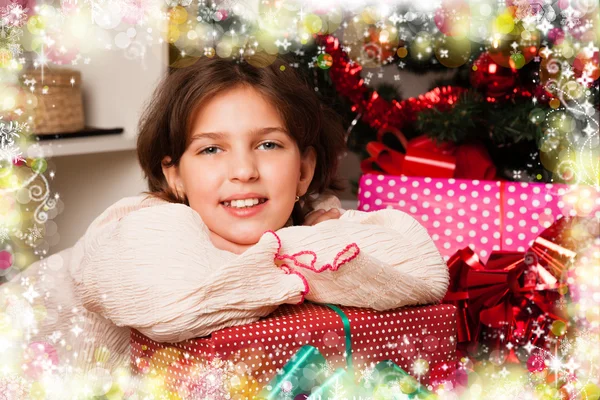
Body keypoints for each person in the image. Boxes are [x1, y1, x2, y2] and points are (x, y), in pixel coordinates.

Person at [9, 53, 449, 373]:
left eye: (268, 144)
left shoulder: (312, 220)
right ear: (175, 175)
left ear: (304, 170)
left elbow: (424, 271)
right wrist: (300, 259)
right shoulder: (140, 226)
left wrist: (312, 234)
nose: (243, 171)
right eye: (211, 149)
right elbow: (175, 306)